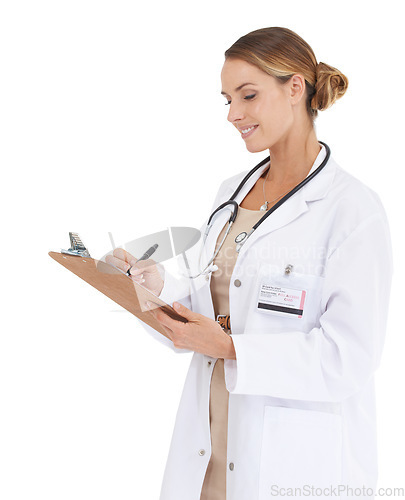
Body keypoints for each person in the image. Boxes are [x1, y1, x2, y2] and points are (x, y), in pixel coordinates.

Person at [106, 27, 393, 500]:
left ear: (296, 87)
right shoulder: (231, 195)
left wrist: (233, 348)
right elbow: (209, 297)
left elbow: (349, 359)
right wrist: (151, 282)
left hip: (291, 462)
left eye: (248, 96)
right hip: (211, 450)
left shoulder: (352, 210)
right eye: (227, 100)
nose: (233, 114)